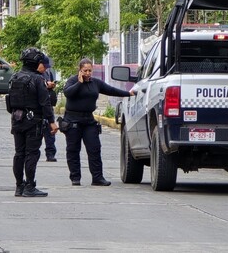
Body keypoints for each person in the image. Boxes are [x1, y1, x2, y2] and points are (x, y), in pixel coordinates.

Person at [62, 58, 136, 186]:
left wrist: (128, 93)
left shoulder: (95, 83)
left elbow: (111, 90)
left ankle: (97, 177)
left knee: (94, 148)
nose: (88, 73)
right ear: (79, 70)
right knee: (73, 149)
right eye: (85, 70)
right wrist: (79, 83)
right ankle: (75, 177)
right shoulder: (72, 81)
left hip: (88, 120)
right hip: (73, 120)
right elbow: (68, 93)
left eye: (90, 70)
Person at [9, 47, 58, 197]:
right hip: (33, 121)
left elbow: (10, 102)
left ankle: (19, 186)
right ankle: (29, 186)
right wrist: (51, 121)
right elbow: (45, 103)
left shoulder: (15, 77)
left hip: (17, 119)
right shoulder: (38, 79)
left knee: (19, 153)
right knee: (32, 153)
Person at [39, 56, 58, 162]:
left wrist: (51, 85)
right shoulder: (34, 75)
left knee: (50, 131)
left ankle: (50, 154)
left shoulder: (47, 73)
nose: (45, 69)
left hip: (48, 105)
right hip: (37, 108)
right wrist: (46, 85)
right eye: (44, 67)